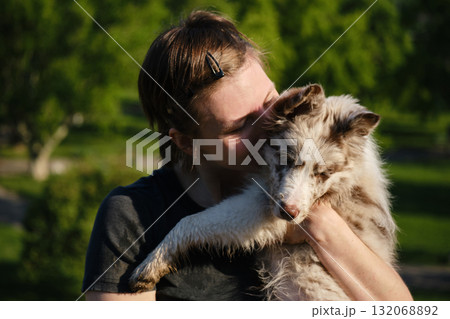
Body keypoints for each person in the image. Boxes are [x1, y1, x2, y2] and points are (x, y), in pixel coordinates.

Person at [82, 10, 413, 301]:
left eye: (270, 100)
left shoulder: (317, 183)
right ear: (186, 142)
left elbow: (403, 310)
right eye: (239, 126)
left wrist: (321, 223)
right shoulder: (133, 217)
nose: (272, 126)